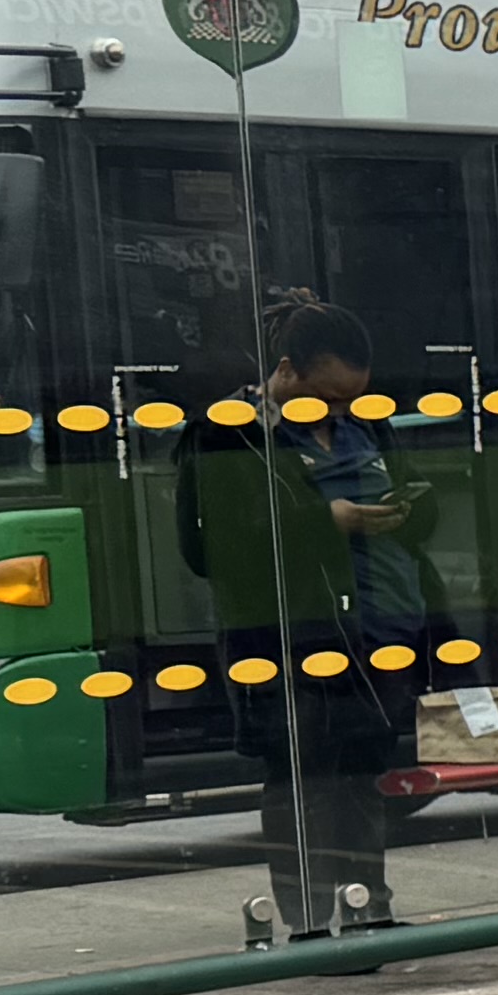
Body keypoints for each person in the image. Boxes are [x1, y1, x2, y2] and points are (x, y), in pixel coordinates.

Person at [183, 295, 417, 932]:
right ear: (286, 373)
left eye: (353, 399)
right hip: (286, 631)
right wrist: (326, 522)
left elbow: (412, 499)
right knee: (300, 774)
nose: (340, 411)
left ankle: (369, 907)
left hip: (374, 623)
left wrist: (407, 511)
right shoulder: (226, 433)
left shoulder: (367, 425)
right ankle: (308, 920)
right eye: (328, 397)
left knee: (362, 774)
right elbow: (209, 548)